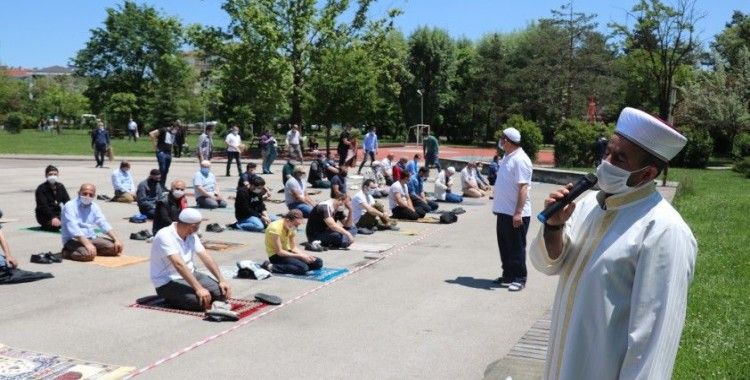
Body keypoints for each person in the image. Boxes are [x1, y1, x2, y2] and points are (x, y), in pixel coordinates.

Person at [529, 107, 696, 380]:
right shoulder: (587, 207)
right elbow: (550, 264)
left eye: (619, 158)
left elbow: (652, 346)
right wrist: (554, 225)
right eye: (607, 151)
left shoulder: (665, 231)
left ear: (646, 174)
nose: (606, 162)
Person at [150, 208, 232, 311]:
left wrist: (221, 280)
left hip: (191, 274)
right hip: (167, 281)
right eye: (198, 226)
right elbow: (178, 264)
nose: (198, 229)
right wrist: (199, 288)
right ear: (192, 226)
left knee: (221, 293)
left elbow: (205, 256)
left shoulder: (192, 234)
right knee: (199, 303)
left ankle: (182, 295)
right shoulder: (164, 235)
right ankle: (169, 298)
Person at [492, 127, 533, 292]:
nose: (500, 141)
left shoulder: (521, 160)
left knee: (516, 247)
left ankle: (519, 278)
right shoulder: (508, 156)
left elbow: (523, 188)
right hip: (504, 211)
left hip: (515, 213)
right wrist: (498, 207)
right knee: (505, 246)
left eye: (502, 138)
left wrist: (518, 213)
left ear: (508, 141)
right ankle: (508, 274)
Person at [60, 184, 124, 262]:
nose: (87, 196)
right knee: (87, 255)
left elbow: (102, 223)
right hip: (73, 239)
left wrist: (116, 239)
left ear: (94, 196)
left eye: (91, 195)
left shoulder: (94, 206)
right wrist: (87, 244)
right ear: (78, 193)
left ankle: (91, 250)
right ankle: (67, 253)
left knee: (116, 248)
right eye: (85, 193)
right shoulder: (69, 206)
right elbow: (73, 228)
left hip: (91, 237)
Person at [261, 210, 323, 275]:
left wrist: (305, 256)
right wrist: (300, 256)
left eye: (298, 225)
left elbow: (293, 248)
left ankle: (293, 266)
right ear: (287, 220)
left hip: (288, 252)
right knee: (303, 268)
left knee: (318, 262)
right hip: (276, 256)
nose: (296, 227)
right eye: (295, 225)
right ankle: (270, 266)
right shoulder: (275, 228)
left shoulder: (291, 227)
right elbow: (280, 252)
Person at [35, 165, 70, 230]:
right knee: (56, 226)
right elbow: (43, 206)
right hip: (45, 216)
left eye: (55, 174)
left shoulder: (60, 186)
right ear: (46, 175)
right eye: (50, 174)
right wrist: (52, 217)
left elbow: (67, 201)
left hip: (58, 214)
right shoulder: (41, 188)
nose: (53, 176)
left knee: (72, 222)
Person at [149, 121, 178, 186]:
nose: (176, 130)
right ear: (172, 127)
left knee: (166, 170)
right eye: (175, 129)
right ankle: (156, 184)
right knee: (162, 168)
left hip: (168, 153)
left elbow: (171, 142)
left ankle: (162, 185)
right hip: (161, 152)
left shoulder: (172, 133)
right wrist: (155, 146)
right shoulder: (163, 130)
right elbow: (151, 133)